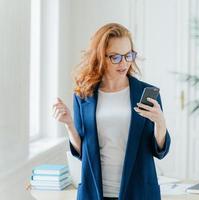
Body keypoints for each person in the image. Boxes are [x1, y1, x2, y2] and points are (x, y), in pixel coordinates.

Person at [52, 23, 171, 200]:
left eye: (128, 55)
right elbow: (81, 152)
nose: (124, 63)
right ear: (100, 57)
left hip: (139, 192)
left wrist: (160, 123)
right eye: (115, 57)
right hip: (95, 192)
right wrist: (69, 124)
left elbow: (159, 150)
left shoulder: (145, 93)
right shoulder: (84, 96)